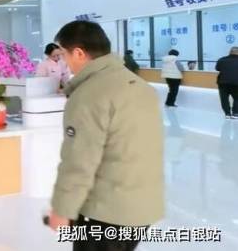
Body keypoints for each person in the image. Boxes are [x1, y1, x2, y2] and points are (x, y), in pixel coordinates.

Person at [47, 21, 164, 251]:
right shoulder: (141, 86)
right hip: (143, 205)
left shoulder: (89, 95)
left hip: (106, 211)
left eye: (64, 55)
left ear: (79, 53)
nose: (64, 62)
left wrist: (62, 209)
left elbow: (79, 161)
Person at [216, 47, 238, 119]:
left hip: (223, 82)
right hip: (236, 83)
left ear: (230, 52)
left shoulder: (222, 59)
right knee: (237, 98)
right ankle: (235, 113)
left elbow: (217, 68)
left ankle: (227, 113)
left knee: (224, 99)